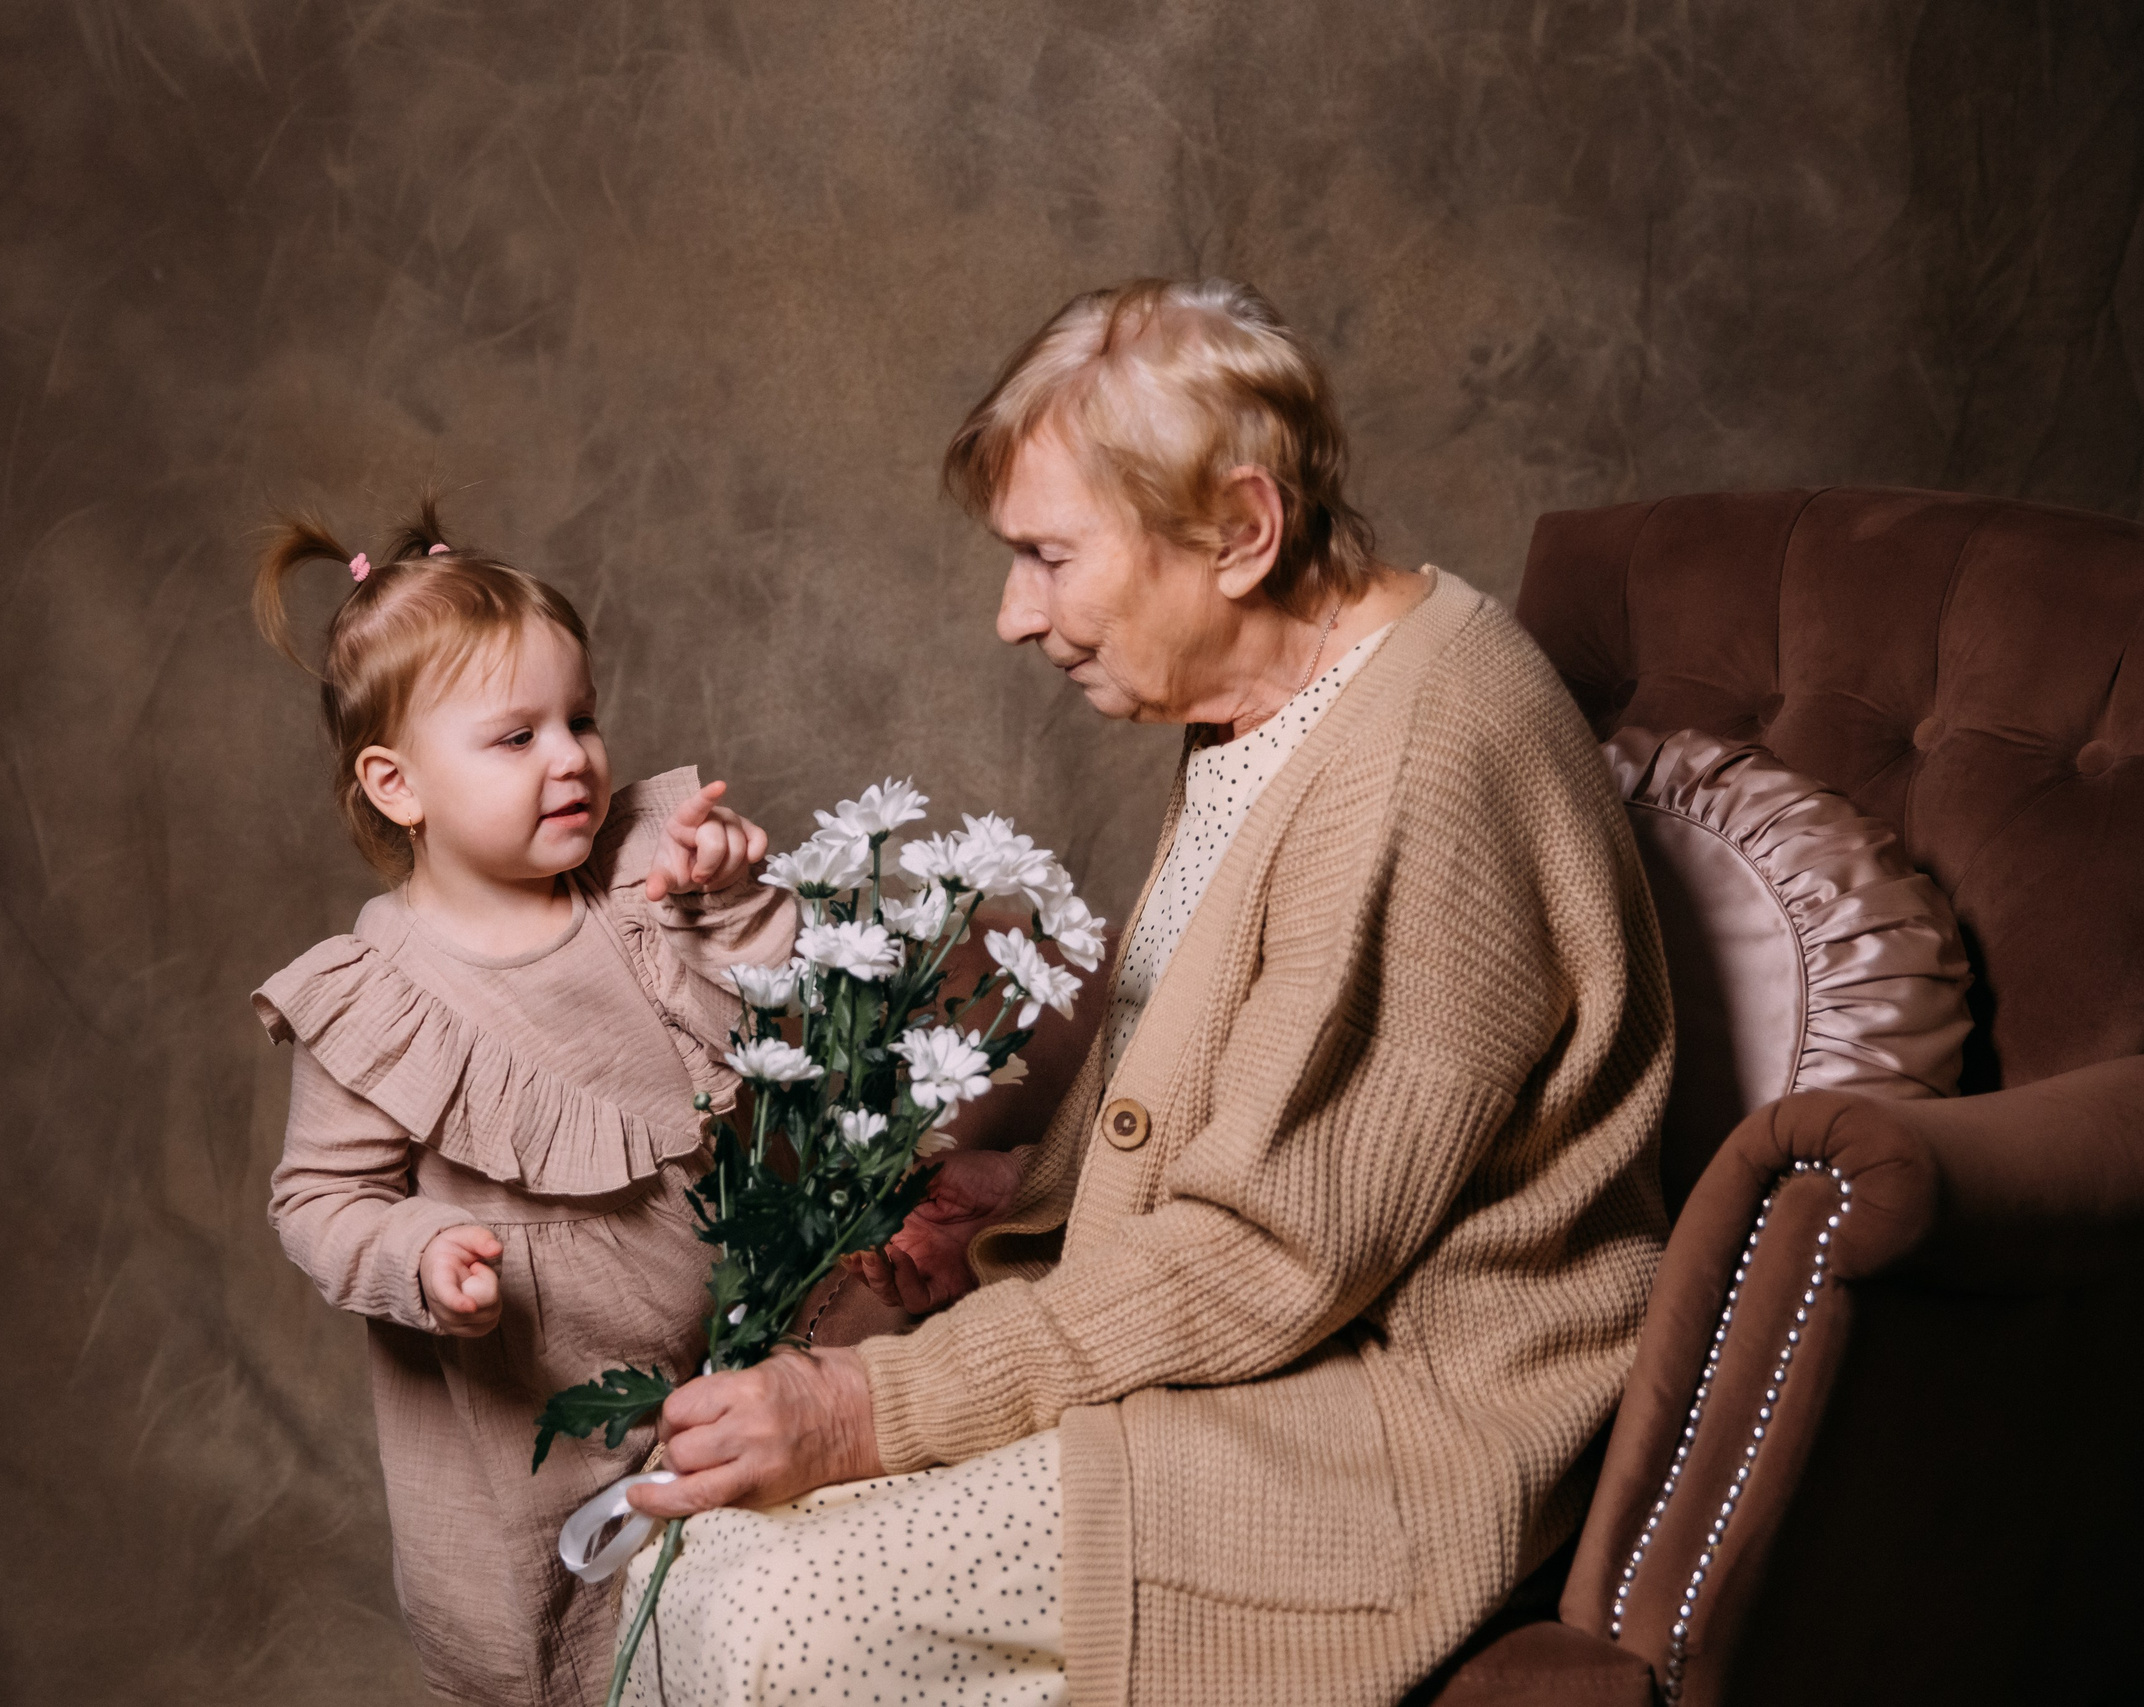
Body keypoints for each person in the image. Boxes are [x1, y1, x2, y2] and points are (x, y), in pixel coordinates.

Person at [618, 279, 1674, 1706]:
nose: (1012, 613)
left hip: (1376, 1431)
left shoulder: (1423, 763)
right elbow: (1237, 1097)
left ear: (1240, 530)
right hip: (1260, 1358)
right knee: (683, 1556)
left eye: (1049, 555)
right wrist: (1021, 1192)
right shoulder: (1273, 697)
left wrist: (878, 1404)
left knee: (761, 1617)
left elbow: (1266, 1257)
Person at [246, 502, 794, 1707]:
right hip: (523, 1429)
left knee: (740, 1647)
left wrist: (734, 895)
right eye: (515, 738)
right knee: (545, 1653)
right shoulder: (378, 996)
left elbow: (766, 1019)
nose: (574, 759)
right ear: (396, 786)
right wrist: (417, 1248)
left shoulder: (638, 887)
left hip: (731, 1357)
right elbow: (318, 1198)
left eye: (581, 719)